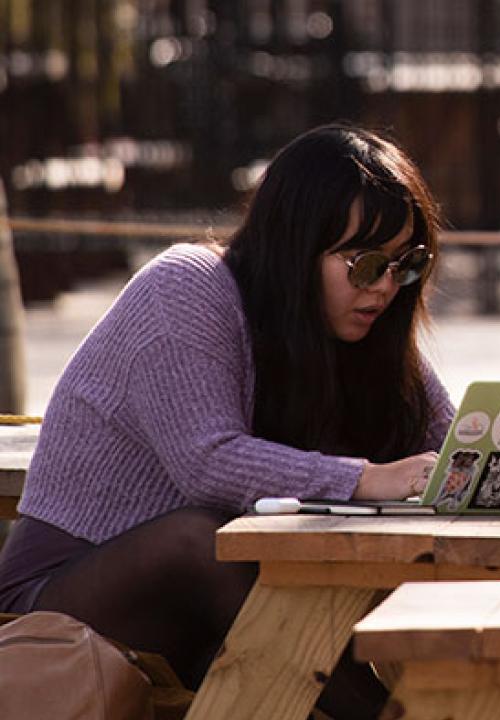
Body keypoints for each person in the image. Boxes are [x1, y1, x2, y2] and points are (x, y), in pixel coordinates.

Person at [0, 124, 454, 718]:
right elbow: (207, 462)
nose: (387, 286)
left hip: (214, 610)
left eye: (406, 264)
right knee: (202, 539)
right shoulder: (188, 286)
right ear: (296, 246)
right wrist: (368, 478)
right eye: (366, 263)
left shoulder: (363, 325)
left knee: (308, 606)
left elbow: (448, 442)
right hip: (58, 611)